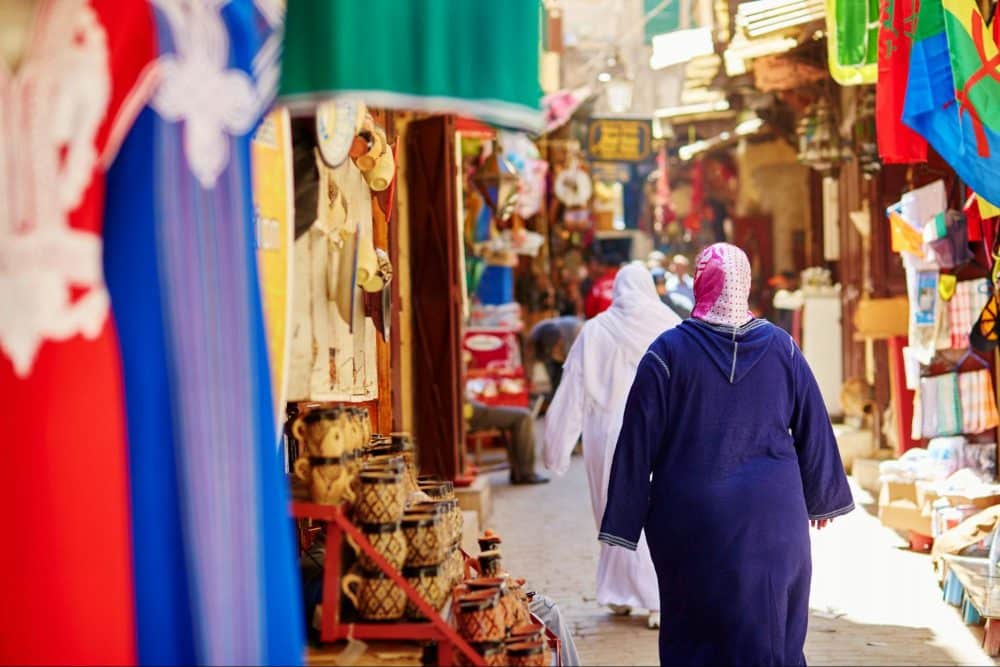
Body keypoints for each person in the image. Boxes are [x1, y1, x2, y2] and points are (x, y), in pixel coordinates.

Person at [599, 243, 853, 665]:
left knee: (694, 629)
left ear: (702, 283)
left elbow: (636, 444)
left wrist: (624, 520)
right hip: (773, 520)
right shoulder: (783, 348)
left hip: (691, 521)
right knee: (775, 636)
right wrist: (822, 496)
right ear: (746, 284)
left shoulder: (666, 354)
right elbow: (814, 424)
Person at [543, 264, 681, 629]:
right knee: (656, 512)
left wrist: (556, 449)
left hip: (607, 434)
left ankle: (641, 595)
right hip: (657, 433)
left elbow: (572, 389)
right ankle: (628, 593)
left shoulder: (596, 329)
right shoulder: (669, 326)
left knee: (613, 512)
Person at [468, 399, 549, 485]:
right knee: (524, 416)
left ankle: (520, 472)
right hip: (468, 410)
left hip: (468, 407)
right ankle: (525, 473)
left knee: (521, 414)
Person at [525, 315, 583, 401]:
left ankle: (562, 398)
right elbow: (529, 357)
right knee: (554, 369)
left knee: (566, 373)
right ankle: (555, 395)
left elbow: (576, 364)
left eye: (555, 348)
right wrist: (529, 377)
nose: (554, 351)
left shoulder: (577, 331)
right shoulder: (536, 332)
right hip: (565, 345)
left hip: (576, 346)